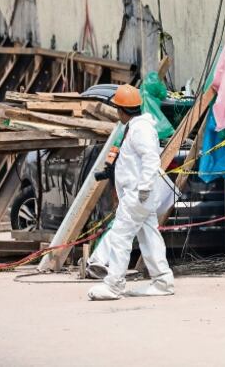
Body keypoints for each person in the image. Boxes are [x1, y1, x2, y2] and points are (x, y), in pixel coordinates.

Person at [87, 84, 175, 301]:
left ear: (121, 110)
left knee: (119, 237)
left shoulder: (140, 129)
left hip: (137, 195)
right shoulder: (136, 127)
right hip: (139, 195)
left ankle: (113, 285)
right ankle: (162, 281)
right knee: (150, 237)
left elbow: (151, 159)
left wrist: (144, 188)